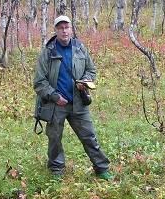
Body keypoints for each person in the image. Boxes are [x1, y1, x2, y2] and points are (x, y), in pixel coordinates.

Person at [33, 16, 113, 180]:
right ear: (55, 30)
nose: (64, 30)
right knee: (54, 139)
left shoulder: (79, 48)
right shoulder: (48, 52)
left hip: (78, 103)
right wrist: (55, 96)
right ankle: (56, 170)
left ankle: (102, 169)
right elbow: (39, 82)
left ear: (71, 29)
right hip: (57, 105)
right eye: (60, 27)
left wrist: (84, 81)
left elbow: (91, 70)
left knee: (89, 137)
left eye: (66, 27)